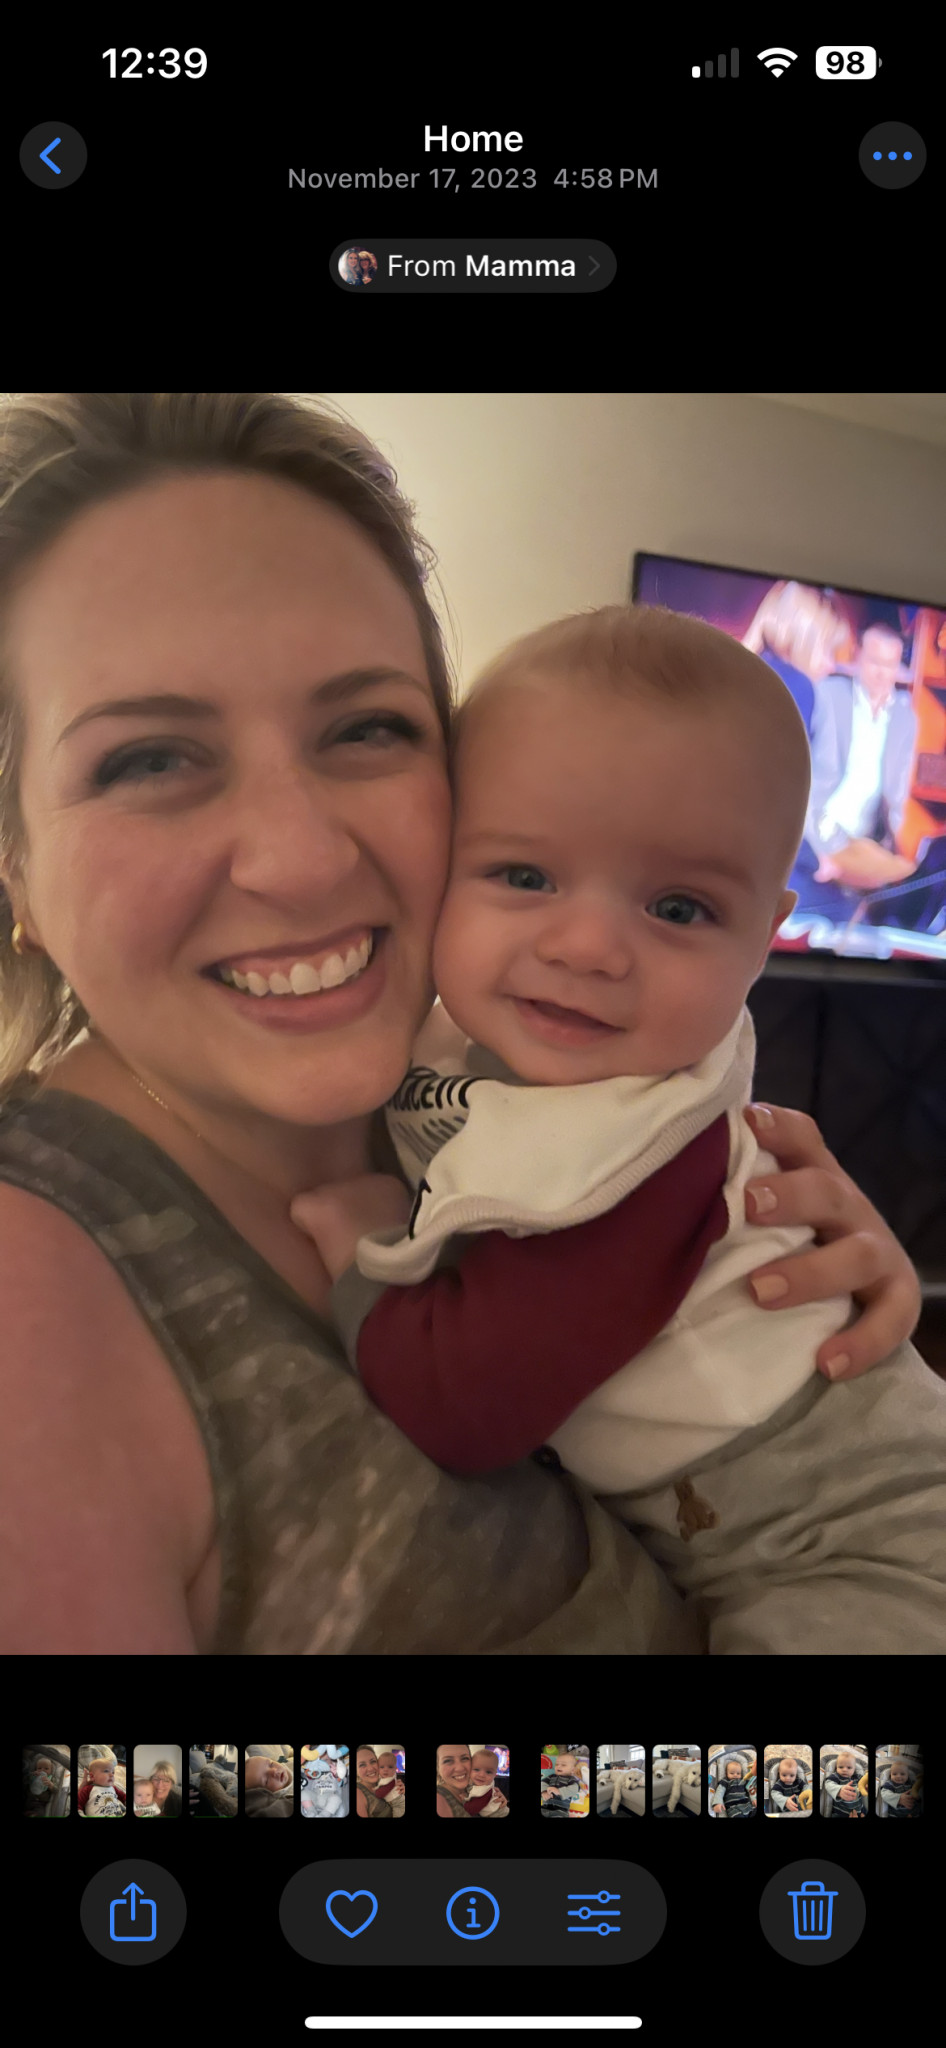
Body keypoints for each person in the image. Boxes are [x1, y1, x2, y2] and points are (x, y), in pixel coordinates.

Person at [0, 393, 922, 1660]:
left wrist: (800, 1296)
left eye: (367, 728)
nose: (304, 857)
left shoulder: (499, 1084)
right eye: (148, 759)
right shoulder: (34, 1304)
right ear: (15, 867)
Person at [293, 605, 946, 1656]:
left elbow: (462, 1407)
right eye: (525, 876)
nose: (588, 946)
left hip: (861, 1541)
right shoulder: (477, 1051)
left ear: (764, 939)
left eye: (679, 909)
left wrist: (359, 1255)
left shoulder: (635, 1158)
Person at [794, 620, 918, 912]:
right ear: (858, 656)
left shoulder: (906, 717)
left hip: (866, 840)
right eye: (875, 661)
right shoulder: (829, 694)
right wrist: (814, 848)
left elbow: (897, 793)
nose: (882, 673)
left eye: (890, 664)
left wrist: (886, 845)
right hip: (820, 829)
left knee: (913, 881)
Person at [742, 579, 851, 736]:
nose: (831, 665)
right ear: (803, 638)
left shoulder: (741, 672)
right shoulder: (797, 686)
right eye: (826, 649)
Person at [77, 1744, 125, 1816]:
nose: (112, 1775)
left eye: (113, 1772)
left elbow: (124, 1797)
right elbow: (79, 1804)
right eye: (106, 1771)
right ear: (92, 1776)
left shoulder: (114, 1788)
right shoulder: (87, 1789)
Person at [464, 1749, 509, 1816]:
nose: (481, 1775)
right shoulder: (478, 1783)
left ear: (495, 1775)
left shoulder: (485, 1791)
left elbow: (471, 1810)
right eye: (476, 1769)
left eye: (488, 1772)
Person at [824, 1751, 868, 1818]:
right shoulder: (836, 1776)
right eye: (841, 1767)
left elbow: (864, 1784)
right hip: (840, 1812)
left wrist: (866, 1786)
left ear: (854, 1769)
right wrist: (839, 1790)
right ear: (836, 1768)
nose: (844, 1770)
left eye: (849, 1768)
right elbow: (828, 1783)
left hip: (859, 1810)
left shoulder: (858, 1777)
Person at [356, 1747, 396, 1816]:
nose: (370, 1768)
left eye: (373, 1761)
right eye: (362, 1765)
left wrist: (399, 1790)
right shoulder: (358, 1793)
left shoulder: (383, 1782)